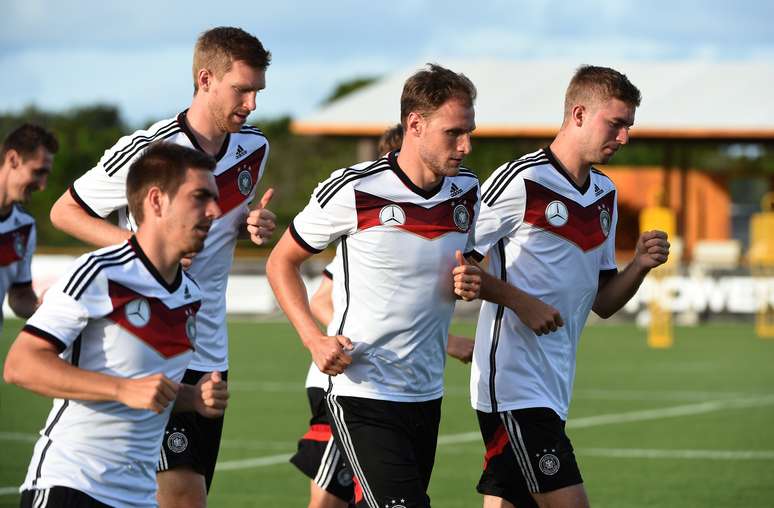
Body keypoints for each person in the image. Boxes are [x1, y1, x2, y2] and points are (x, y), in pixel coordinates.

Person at [48, 27, 275, 505]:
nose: (252, 103)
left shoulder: (254, 148)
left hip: (210, 347)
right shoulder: (152, 150)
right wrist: (145, 250)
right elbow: (65, 212)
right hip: (147, 340)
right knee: (179, 495)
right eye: (242, 90)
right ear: (206, 78)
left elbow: (221, 220)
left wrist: (249, 224)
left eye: (258, 91)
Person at [268, 63, 482, 508]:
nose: (465, 145)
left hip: (426, 391)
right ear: (415, 125)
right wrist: (313, 339)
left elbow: (468, 261)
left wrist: (471, 278)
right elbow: (281, 262)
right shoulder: (354, 189)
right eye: (454, 133)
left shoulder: (466, 191)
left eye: (470, 132)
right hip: (363, 390)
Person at [467, 65, 670, 508]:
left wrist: (638, 265)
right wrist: (522, 303)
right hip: (513, 386)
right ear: (578, 114)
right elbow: (457, 266)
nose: (624, 136)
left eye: (628, 126)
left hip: (555, 386)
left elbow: (603, 302)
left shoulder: (604, 193)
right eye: (615, 124)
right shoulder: (521, 180)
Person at [4, 142, 228, 508]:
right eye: (201, 197)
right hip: (72, 486)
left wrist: (192, 398)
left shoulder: (190, 295)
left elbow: (148, 387)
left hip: (139, 499)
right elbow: (20, 365)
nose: (215, 212)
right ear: (157, 201)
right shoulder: (99, 272)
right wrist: (122, 389)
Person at [294, 256, 475, 508]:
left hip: (399, 388)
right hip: (350, 382)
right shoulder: (368, 238)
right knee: (332, 496)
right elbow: (322, 300)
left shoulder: (440, 239)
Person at [0, 124, 58, 330]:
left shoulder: (25, 226)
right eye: (38, 172)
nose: (42, 185)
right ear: (13, 159)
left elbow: (19, 295)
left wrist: (47, 308)